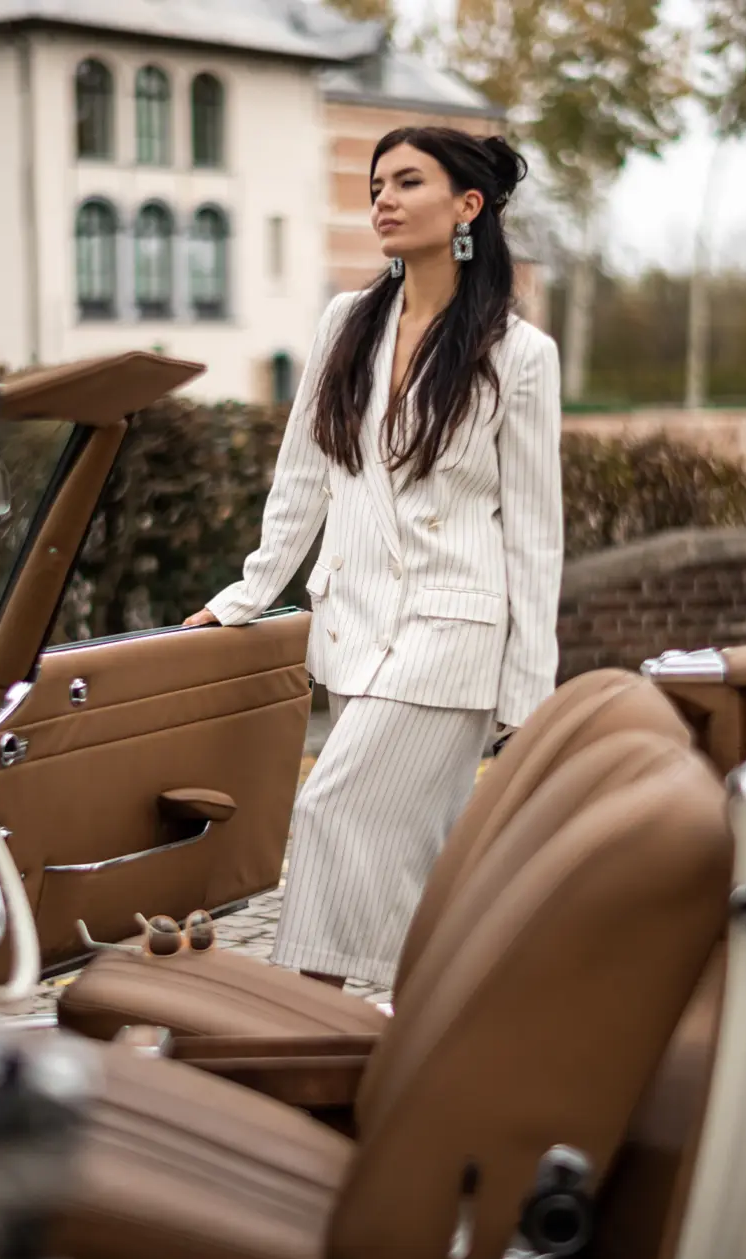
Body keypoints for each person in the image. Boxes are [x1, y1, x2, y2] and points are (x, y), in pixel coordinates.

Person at [184, 126, 563, 991]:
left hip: (453, 633)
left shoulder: (520, 354)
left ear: (467, 206)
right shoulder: (345, 324)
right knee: (405, 852)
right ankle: (429, 1022)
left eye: (406, 182)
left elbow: (536, 534)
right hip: (353, 626)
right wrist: (248, 595)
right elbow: (303, 478)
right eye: (376, 184)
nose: (381, 200)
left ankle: (294, 1021)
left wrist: (527, 693)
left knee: (330, 807)